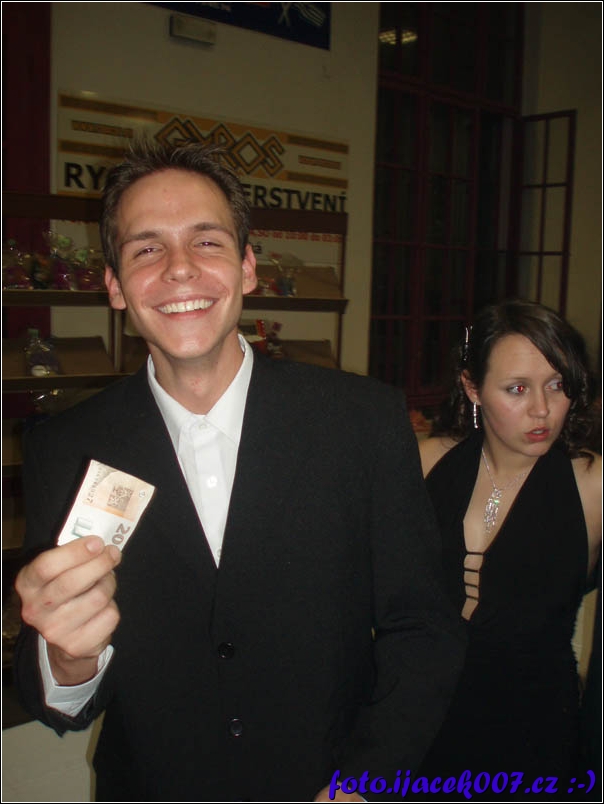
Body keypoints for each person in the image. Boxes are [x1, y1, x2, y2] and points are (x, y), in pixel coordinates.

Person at [13, 140, 466, 803]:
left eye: (206, 242)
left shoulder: (360, 421)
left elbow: (423, 628)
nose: (179, 269)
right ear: (113, 285)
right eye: (146, 249)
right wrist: (66, 657)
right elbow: (55, 697)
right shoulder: (67, 447)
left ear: (248, 267)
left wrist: (368, 782)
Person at [414, 299, 601, 799]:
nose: (541, 409)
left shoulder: (592, 484)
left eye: (557, 385)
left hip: (535, 737)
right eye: (517, 389)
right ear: (472, 387)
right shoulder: (428, 463)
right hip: (421, 725)